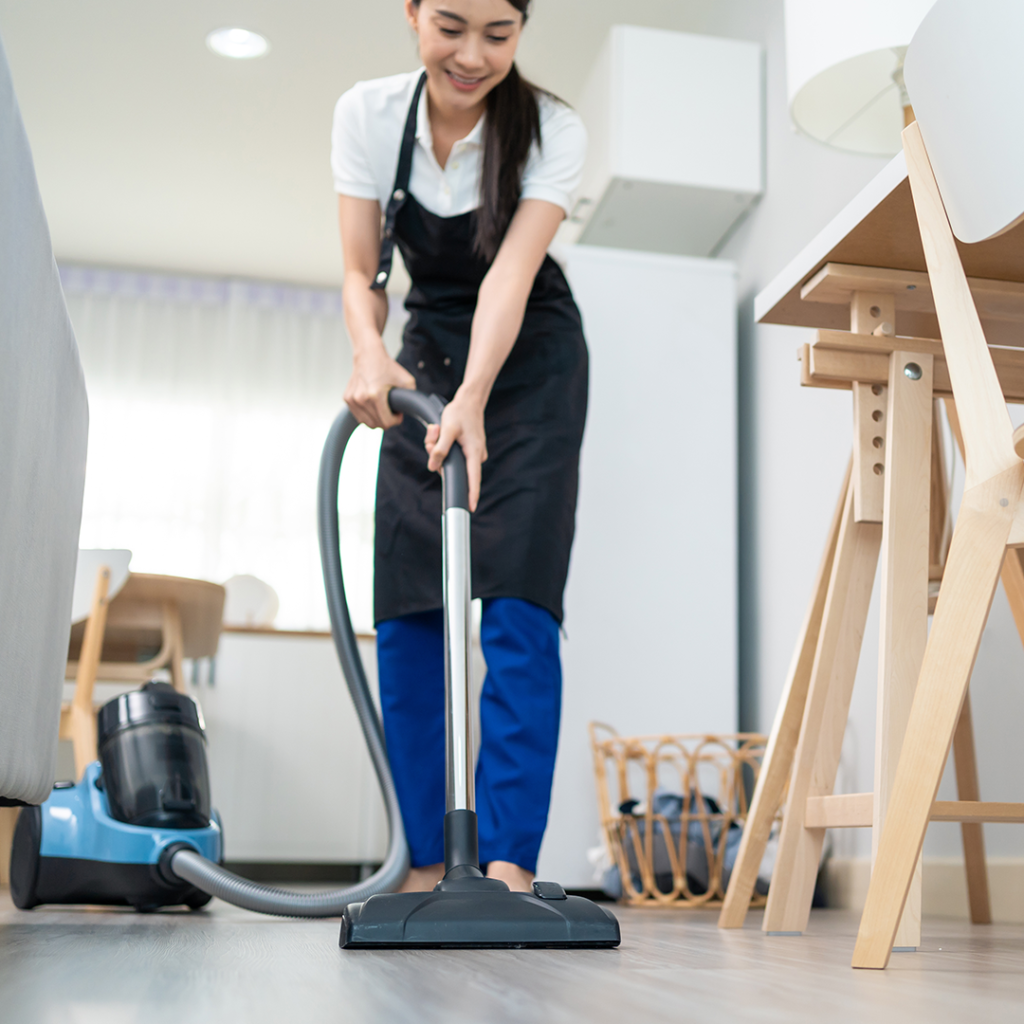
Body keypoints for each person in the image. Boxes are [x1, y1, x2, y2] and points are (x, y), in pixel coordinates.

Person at [331, 0, 587, 893]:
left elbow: (511, 275)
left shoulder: (551, 127)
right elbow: (364, 272)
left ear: (524, 28)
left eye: (499, 34)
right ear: (410, 14)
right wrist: (372, 355)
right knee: (409, 606)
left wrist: (475, 396)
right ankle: (424, 868)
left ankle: (508, 865)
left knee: (518, 601)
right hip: (422, 360)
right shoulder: (367, 115)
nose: (472, 55)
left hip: (529, 365)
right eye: (450, 25)